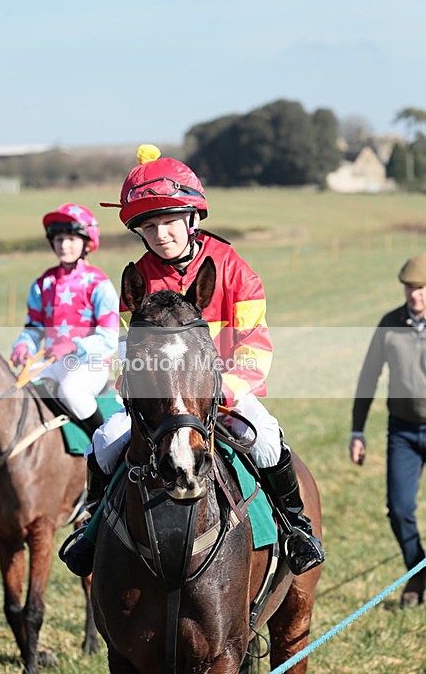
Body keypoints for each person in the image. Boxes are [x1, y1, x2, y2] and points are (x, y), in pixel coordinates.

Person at [62, 145, 324, 577]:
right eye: (148, 226)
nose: (161, 234)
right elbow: (136, 351)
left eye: (168, 222)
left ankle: (297, 530)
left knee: (267, 440)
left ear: (193, 219)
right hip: (161, 403)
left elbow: (255, 345)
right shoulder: (139, 278)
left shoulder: (235, 269)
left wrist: (227, 388)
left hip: (223, 395)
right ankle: (93, 531)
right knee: (106, 441)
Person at [349, 253, 426, 608]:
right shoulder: (390, 324)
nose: (415, 296)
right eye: (410, 288)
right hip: (404, 432)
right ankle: (418, 572)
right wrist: (357, 431)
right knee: (398, 509)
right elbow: (368, 377)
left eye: (422, 289)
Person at [10, 203, 119, 439]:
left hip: (90, 363)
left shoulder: (98, 283)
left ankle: (102, 442)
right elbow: (33, 327)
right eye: (59, 239)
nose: (64, 245)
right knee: (21, 386)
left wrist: (74, 345)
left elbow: (109, 339)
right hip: (52, 361)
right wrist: (23, 346)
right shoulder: (43, 283)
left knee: (71, 391)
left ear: (86, 242)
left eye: (71, 239)